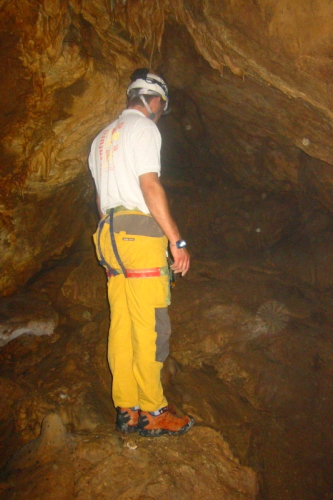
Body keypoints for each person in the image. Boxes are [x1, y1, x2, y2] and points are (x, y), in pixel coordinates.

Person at [88, 68, 194, 437]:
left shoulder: (101, 139)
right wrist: (175, 240)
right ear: (153, 101)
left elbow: (102, 200)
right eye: (161, 106)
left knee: (122, 326)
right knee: (150, 325)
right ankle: (153, 410)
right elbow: (149, 185)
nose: (160, 113)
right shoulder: (144, 129)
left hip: (109, 235)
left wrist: (110, 254)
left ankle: (126, 409)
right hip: (139, 234)